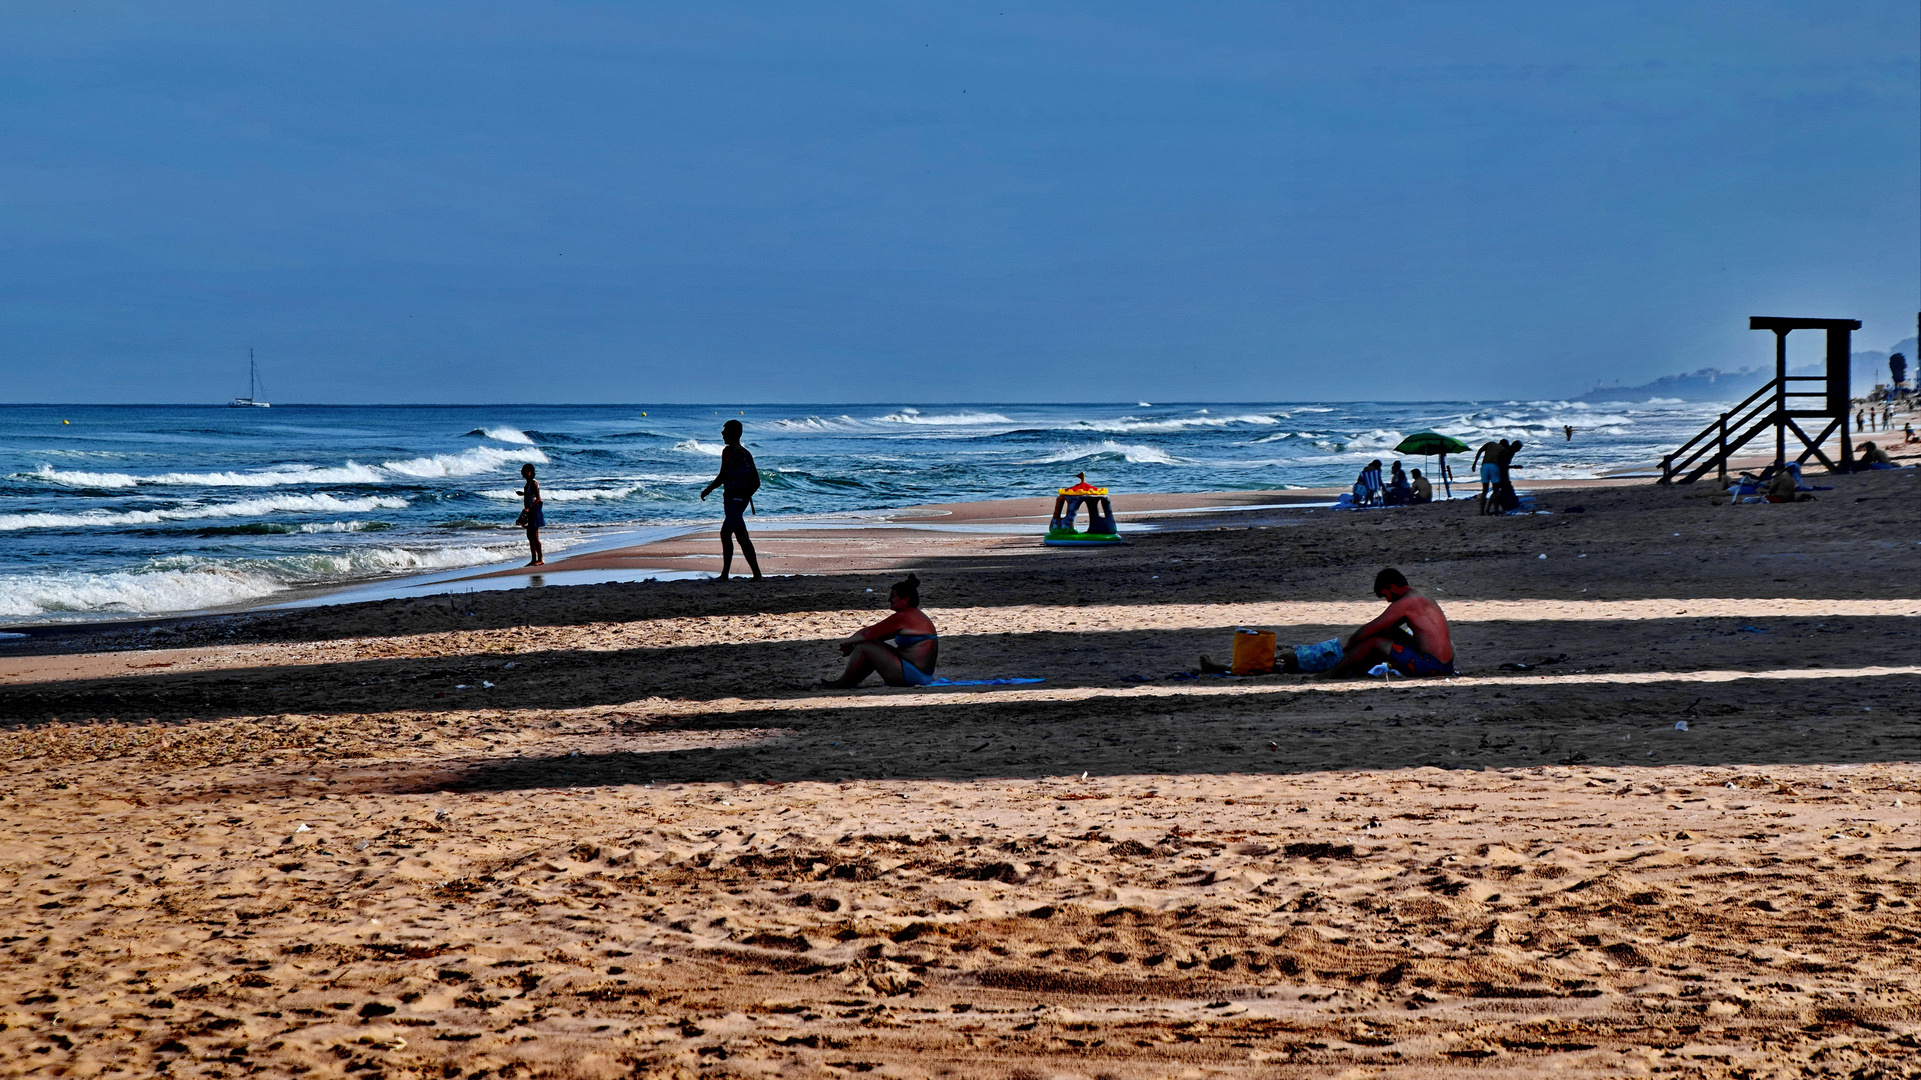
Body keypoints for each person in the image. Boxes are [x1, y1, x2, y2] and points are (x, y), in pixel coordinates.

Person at [1325, 567, 1455, 678]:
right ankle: (1354, 671)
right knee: (1386, 632)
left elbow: (1371, 628)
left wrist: (1348, 644)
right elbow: (1385, 628)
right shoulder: (1419, 596)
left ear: (1392, 587)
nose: (1387, 600)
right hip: (1445, 665)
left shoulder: (1406, 603)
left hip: (1431, 666)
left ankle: (1329, 675)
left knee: (1372, 642)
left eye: (1385, 595)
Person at [823, 573, 938, 688]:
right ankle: (848, 682)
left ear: (905, 599)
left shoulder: (904, 617)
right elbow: (875, 636)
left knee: (866, 646)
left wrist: (847, 642)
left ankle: (843, 682)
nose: (889, 600)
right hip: (923, 676)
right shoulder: (916, 615)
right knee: (868, 643)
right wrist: (854, 642)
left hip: (912, 676)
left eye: (893, 596)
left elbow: (867, 633)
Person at [699, 419, 763, 581]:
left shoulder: (728, 451)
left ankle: (757, 574)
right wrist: (746, 496)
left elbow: (723, 476)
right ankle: (725, 574)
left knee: (741, 536)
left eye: (725, 431)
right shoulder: (745, 452)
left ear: (733, 434)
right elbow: (756, 482)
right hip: (740, 500)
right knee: (725, 533)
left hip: (733, 499)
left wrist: (708, 489)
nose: (722, 434)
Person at [514, 463, 544, 566]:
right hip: (529, 511)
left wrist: (529, 507)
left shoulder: (534, 483)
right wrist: (522, 494)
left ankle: (540, 559)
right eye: (523, 472)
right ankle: (533, 559)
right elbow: (531, 495)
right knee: (529, 536)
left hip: (534, 511)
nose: (524, 474)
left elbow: (538, 499)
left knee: (535, 536)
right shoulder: (527, 483)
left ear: (531, 472)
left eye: (526, 472)